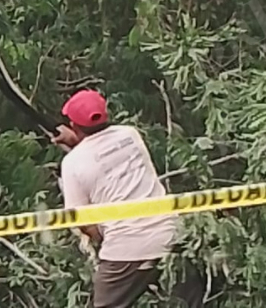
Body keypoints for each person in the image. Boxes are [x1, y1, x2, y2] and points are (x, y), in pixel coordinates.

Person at [53, 89, 180, 308]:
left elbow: (82, 221)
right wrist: (79, 143)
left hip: (126, 249)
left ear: (74, 126)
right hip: (171, 235)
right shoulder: (130, 134)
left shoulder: (72, 163)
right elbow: (105, 153)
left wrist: (101, 240)